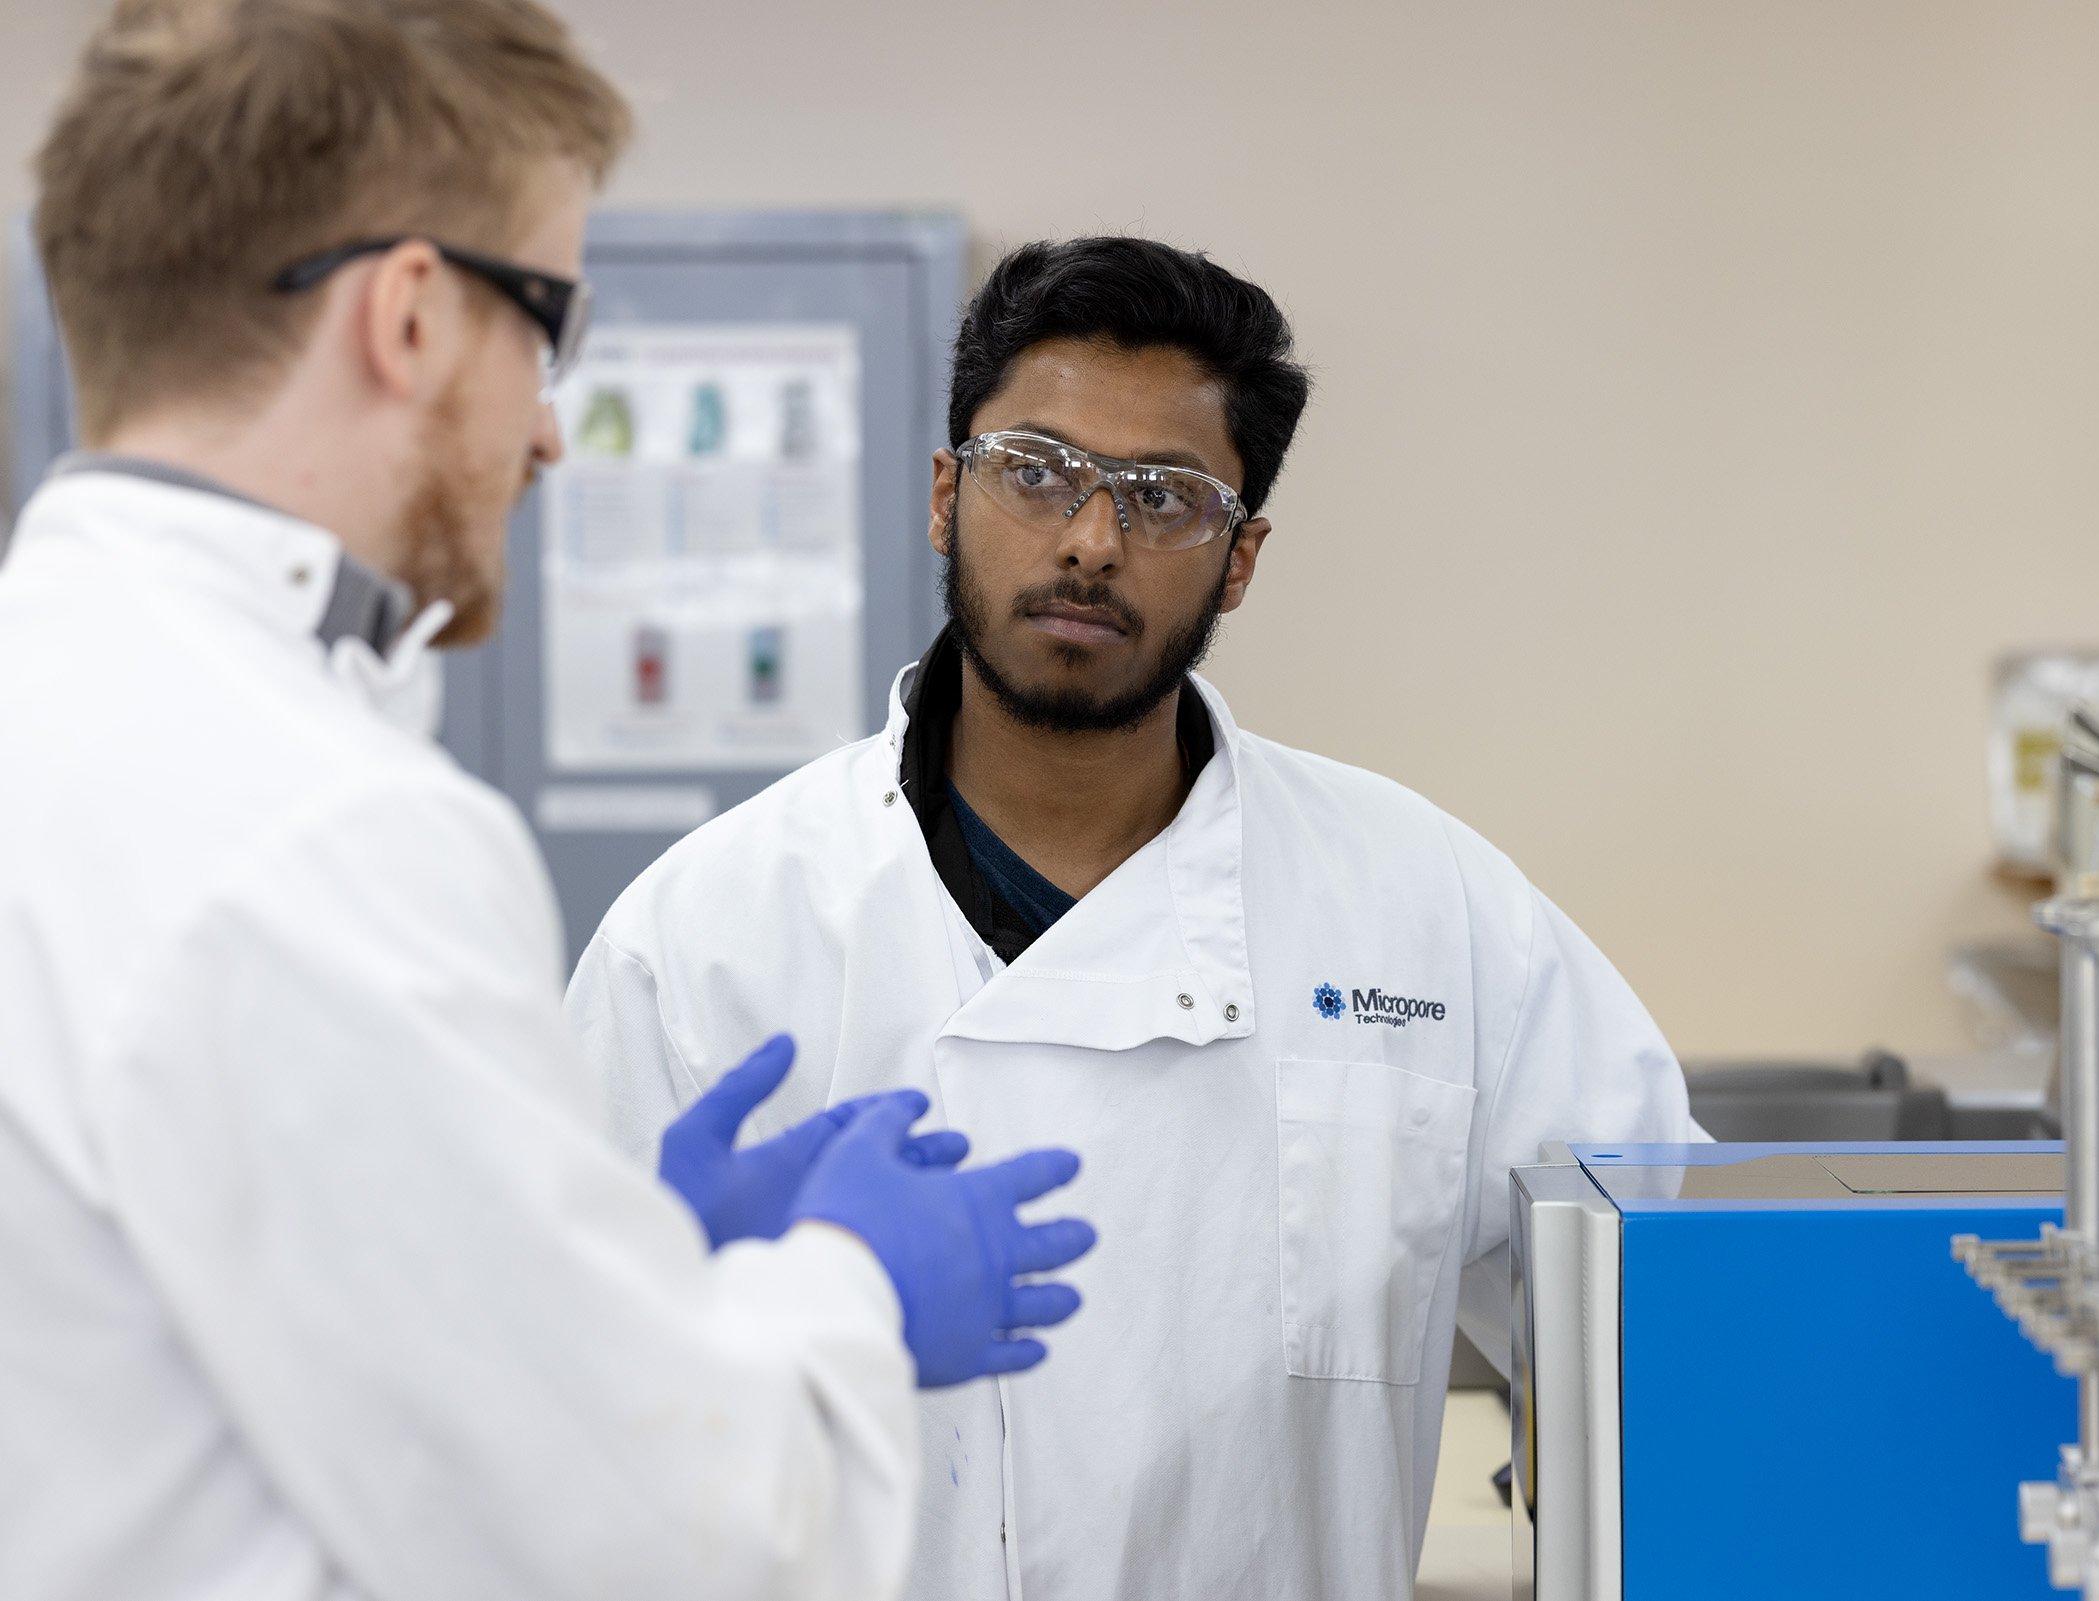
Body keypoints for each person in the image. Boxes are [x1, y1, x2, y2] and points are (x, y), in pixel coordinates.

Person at [0, 3, 1093, 1599]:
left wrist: (607, 1270)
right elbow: (655, 1544)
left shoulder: (67, 695)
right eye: (550, 332)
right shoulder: (320, 825)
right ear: (414, 318)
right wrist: (852, 1280)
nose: (549, 432)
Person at [567, 235, 1705, 1601]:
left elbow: (1676, 1323)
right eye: (1035, 471)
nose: (1091, 539)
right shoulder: (703, 938)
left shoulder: (1433, 913)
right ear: (945, 496)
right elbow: (559, 1434)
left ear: (1239, 559)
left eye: (1165, 497)